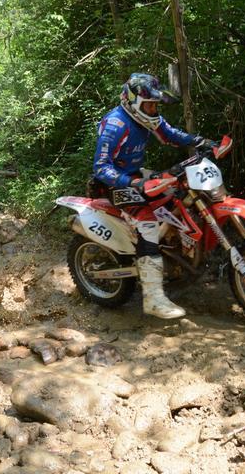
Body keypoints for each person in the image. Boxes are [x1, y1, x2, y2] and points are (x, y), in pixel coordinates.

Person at [91, 73, 213, 319]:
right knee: (147, 223)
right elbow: (101, 167)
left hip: (137, 176)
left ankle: (172, 253)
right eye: (149, 105)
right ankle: (153, 299)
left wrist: (201, 141)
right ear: (133, 102)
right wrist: (134, 183)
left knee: (179, 190)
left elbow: (170, 134)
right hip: (113, 184)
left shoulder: (146, 117)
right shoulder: (116, 124)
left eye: (156, 105)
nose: (154, 109)